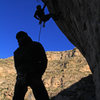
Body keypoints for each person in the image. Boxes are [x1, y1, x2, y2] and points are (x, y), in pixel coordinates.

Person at [13, 31, 49, 100]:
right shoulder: (17, 52)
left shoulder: (36, 45)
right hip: (23, 76)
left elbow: (43, 60)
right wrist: (20, 74)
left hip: (33, 75)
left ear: (26, 36)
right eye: (18, 38)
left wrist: (38, 74)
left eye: (20, 37)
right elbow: (17, 66)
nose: (19, 40)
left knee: (42, 96)